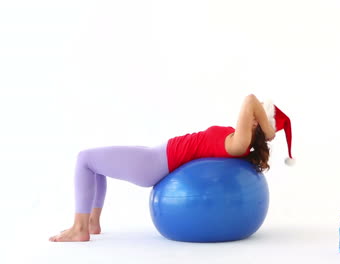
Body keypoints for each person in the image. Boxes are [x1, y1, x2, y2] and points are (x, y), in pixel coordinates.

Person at [49, 94, 294, 242]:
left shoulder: (239, 143)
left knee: (85, 160)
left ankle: (79, 228)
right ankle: (91, 224)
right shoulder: (238, 141)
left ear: (255, 121)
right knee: (96, 165)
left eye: (260, 113)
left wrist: (270, 129)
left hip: (153, 164)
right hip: (154, 157)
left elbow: (250, 99)